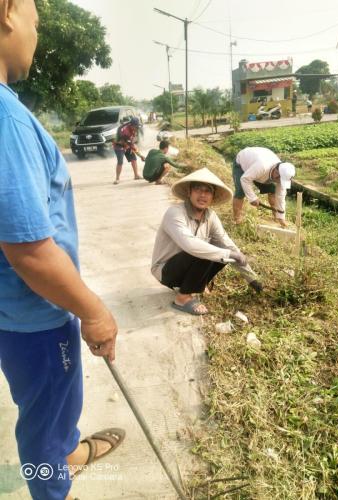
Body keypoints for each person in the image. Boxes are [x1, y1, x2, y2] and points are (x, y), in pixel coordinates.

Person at [0, 1, 124, 499]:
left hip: (12, 308)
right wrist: (93, 311)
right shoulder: (6, 120)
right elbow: (30, 250)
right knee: (46, 407)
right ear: (7, 12)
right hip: (34, 312)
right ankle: (52, 485)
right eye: (36, 20)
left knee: (50, 402)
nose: (36, 31)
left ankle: (67, 449)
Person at [151, 168, 262, 316]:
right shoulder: (175, 213)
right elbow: (190, 245)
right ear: (189, 192)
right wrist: (228, 253)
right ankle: (182, 298)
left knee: (224, 252)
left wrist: (252, 278)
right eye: (198, 189)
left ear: (213, 196)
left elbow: (227, 244)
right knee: (206, 250)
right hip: (166, 271)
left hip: (186, 266)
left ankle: (195, 285)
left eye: (208, 191)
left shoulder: (210, 216)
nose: (202, 195)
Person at [232, 147, 296, 227]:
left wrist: (281, 216)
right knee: (240, 191)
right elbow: (245, 179)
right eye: (279, 179)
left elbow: (280, 196)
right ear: (276, 171)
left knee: (273, 191)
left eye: (282, 180)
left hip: (259, 168)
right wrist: (252, 198)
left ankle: (276, 218)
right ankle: (237, 220)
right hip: (242, 164)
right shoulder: (262, 166)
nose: (279, 182)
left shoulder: (282, 173)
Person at [113, 116, 145, 184]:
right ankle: (117, 178)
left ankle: (136, 175)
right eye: (135, 126)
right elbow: (132, 146)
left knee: (133, 159)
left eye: (137, 126)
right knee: (120, 161)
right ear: (131, 125)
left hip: (127, 144)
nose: (136, 128)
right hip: (119, 146)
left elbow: (131, 142)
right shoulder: (125, 132)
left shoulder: (132, 128)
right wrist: (141, 156)